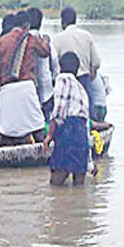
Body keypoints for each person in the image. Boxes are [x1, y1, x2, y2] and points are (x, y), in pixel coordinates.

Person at [0, 10, 50, 147]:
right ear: (26, 25)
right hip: (26, 88)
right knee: (37, 125)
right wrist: (45, 40)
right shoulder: (30, 39)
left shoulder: (0, 42)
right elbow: (45, 52)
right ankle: (46, 152)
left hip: (6, 89)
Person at [43, 52, 90, 187]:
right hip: (82, 137)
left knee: (55, 185)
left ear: (60, 67)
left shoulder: (61, 79)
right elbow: (86, 126)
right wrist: (90, 162)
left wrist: (50, 135)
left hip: (68, 132)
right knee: (79, 187)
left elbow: (58, 111)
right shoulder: (82, 90)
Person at [53, 7, 101, 116]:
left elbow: (54, 63)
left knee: (65, 113)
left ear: (62, 22)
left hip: (64, 82)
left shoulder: (57, 38)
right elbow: (96, 62)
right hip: (84, 79)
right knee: (87, 113)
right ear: (75, 20)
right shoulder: (87, 36)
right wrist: (92, 69)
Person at [27, 7, 60, 123]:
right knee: (47, 120)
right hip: (46, 90)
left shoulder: (22, 41)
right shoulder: (45, 41)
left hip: (29, 89)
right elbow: (55, 64)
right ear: (40, 23)